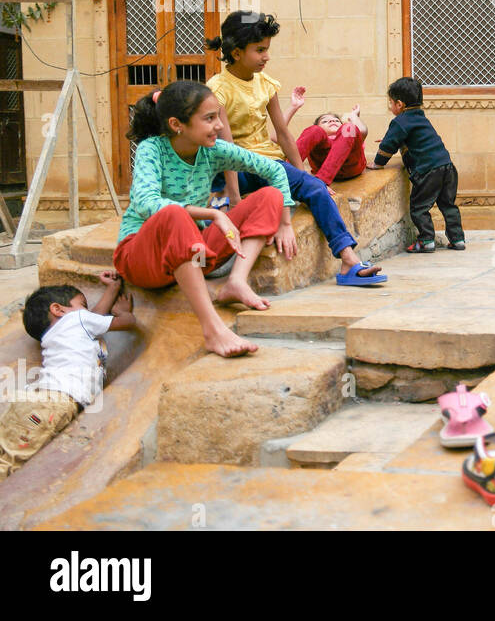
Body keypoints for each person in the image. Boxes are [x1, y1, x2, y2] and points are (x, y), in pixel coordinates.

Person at [114, 80, 295, 356]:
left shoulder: (213, 150)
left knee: (269, 195)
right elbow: (145, 203)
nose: (220, 126)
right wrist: (212, 213)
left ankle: (237, 281)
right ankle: (213, 330)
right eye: (209, 119)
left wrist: (285, 224)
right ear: (177, 124)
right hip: (141, 256)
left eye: (217, 117)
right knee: (173, 214)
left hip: (192, 252)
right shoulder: (153, 149)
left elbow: (274, 170)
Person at [205, 11, 385, 287]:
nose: (266, 57)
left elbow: (284, 135)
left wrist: (305, 178)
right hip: (235, 168)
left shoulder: (266, 83)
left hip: (267, 163)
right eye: (260, 50)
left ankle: (349, 259)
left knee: (314, 189)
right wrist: (235, 199)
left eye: (268, 50)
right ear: (237, 52)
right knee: (235, 183)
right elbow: (227, 148)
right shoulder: (217, 89)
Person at [1, 272, 138, 478]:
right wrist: (122, 311)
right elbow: (126, 322)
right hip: (53, 402)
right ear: (58, 309)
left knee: (6, 451)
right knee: (10, 463)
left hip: (31, 399)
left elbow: (96, 317)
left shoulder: (62, 330)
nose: (88, 311)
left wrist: (112, 288)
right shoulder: (79, 319)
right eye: (83, 305)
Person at [370, 76, 465, 253]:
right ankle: (458, 239)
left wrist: (377, 163)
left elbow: (387, 146)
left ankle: (426, 240)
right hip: (447, 166)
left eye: (391, 103)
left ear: (399, 104)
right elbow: (416, 138)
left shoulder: (399, 121)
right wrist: (394, 139)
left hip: (428, 170)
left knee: (419, 207)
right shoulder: (421, 117)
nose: (391, 107)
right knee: (448, 205)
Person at [287, 94, 368, 186]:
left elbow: (362, 131)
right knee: (313, 130)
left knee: (349, 127)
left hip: (351, 168)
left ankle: (321, 181)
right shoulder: (317, 133)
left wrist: (354, 116)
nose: (332, 121)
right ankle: (286, 171)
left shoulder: (347, 132)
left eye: (337, 121)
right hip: (321, 164)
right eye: (325, 121)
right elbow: (279, 135)